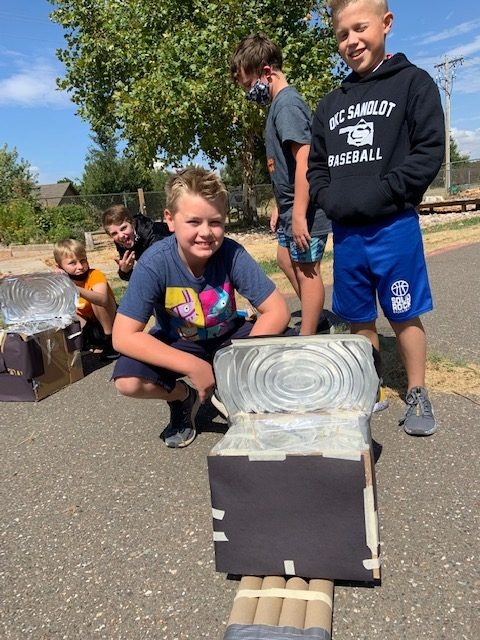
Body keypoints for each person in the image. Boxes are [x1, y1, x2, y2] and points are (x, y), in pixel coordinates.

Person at [307, 0, 445, 436]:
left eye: (360, 28)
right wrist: (331, 199)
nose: (352, 41)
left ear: (386, 24)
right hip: (348, 236)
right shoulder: (331, 103)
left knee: (404, 313)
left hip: (394, 229)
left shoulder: (414, 84)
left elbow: (428, 152)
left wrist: (384, 192)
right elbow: (316, 166)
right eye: (342, 34)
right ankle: (373, 386)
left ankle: (418, 392)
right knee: (359, 318)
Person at [111, 167, 291, 448]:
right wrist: (192, 366)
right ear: (170, 220)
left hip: (229, 337)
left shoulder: (232, 254)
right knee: (128, 381)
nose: (206, 233)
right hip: (180, 341)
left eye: (215, 222)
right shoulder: (154, 263)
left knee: (296, 350)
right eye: (193, 221)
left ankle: (247, 394)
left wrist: (236, 365)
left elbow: (277, 310)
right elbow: (123, 336)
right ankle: (183, 397)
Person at [230, 33, 331, 336]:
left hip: (306, 210)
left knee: (307, 270)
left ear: (266, 72)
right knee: (284, 258)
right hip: (289, 208)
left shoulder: (287, 104)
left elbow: (306, 160)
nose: (249, 93)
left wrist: (299, 213)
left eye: (249, 85)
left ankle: (310, 337)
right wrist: (280, 205)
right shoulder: (276, 106)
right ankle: (315, 318)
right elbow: (286, 167)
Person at [53, 239, 119, 360]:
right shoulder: (62, 281)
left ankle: (111, 341)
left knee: (97, 298)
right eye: (72, 263)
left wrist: (74, 289)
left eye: (83, 261)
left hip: (112, 324)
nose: (80, 267)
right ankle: (82, 341)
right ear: (60, 266)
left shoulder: (94, 275)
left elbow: (103, 300)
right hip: (91, 328)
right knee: (59, 308)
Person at [102, 205, 171, 281]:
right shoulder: (122, 241)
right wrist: (125, 271)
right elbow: (135, 279)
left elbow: (161, 272)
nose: (121, 235)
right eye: (114, 233)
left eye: (123, 228)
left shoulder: (152, 235)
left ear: (132, 223)